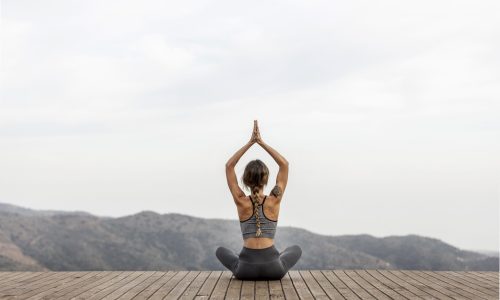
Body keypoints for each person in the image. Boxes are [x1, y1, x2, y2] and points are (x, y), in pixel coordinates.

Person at [215, 120, 302, 280]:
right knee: (295, 249)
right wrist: (261, 142)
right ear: (266, 179)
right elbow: (284, 165)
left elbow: (229, 166)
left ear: (246, 180)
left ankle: (243, 259)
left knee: (220, 250)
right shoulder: (274, 199)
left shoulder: (241, 200)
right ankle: (276, 256)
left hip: (245, 270)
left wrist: (250, 143)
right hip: (274, 269)